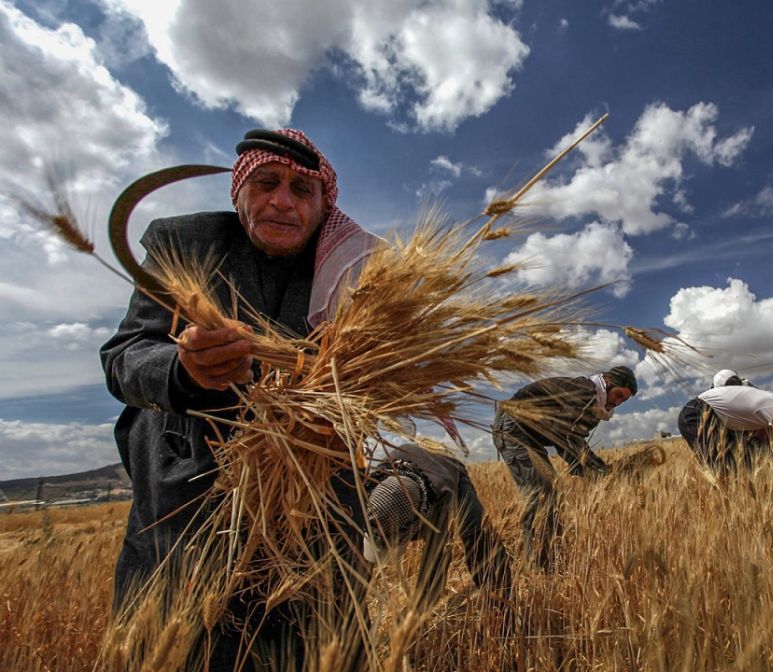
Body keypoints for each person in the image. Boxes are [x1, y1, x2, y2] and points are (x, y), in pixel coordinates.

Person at [100, 128, 378, 668]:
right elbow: (125, 357)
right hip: (190, 509)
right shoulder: (184, 243)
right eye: (267, 183)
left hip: (314, 510)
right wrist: (184, 370)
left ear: (325, 206)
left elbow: (371, 378)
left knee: (322, 649)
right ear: (238, 190)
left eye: (303, 190)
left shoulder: (353, 273)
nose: (282, 201)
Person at [491, 365, 637, 570]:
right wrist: (602, 470)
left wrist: (594, 470)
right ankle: (539, 563)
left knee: (551, 493)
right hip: (513, 426)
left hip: (527, 434)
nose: (618, 402)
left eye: (623, 400)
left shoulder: (594, 403)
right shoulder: (586, 391)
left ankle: (549, 559)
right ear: (608, 382)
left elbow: (571, 443)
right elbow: (566, 437)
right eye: (619, 394)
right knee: (541, 494)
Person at [362, 443, 512, 613]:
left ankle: (502, 602)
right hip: (407, 459)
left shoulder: (441, 494)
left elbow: (435, 561)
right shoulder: (370, 485)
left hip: (447, 467)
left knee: (477, 533)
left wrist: (417, 613)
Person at [678, 380, 773, 473]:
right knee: (725, 469)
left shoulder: (770, 404)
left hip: (713, 416)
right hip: (698, 415)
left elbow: (761, 444)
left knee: (745, 462)